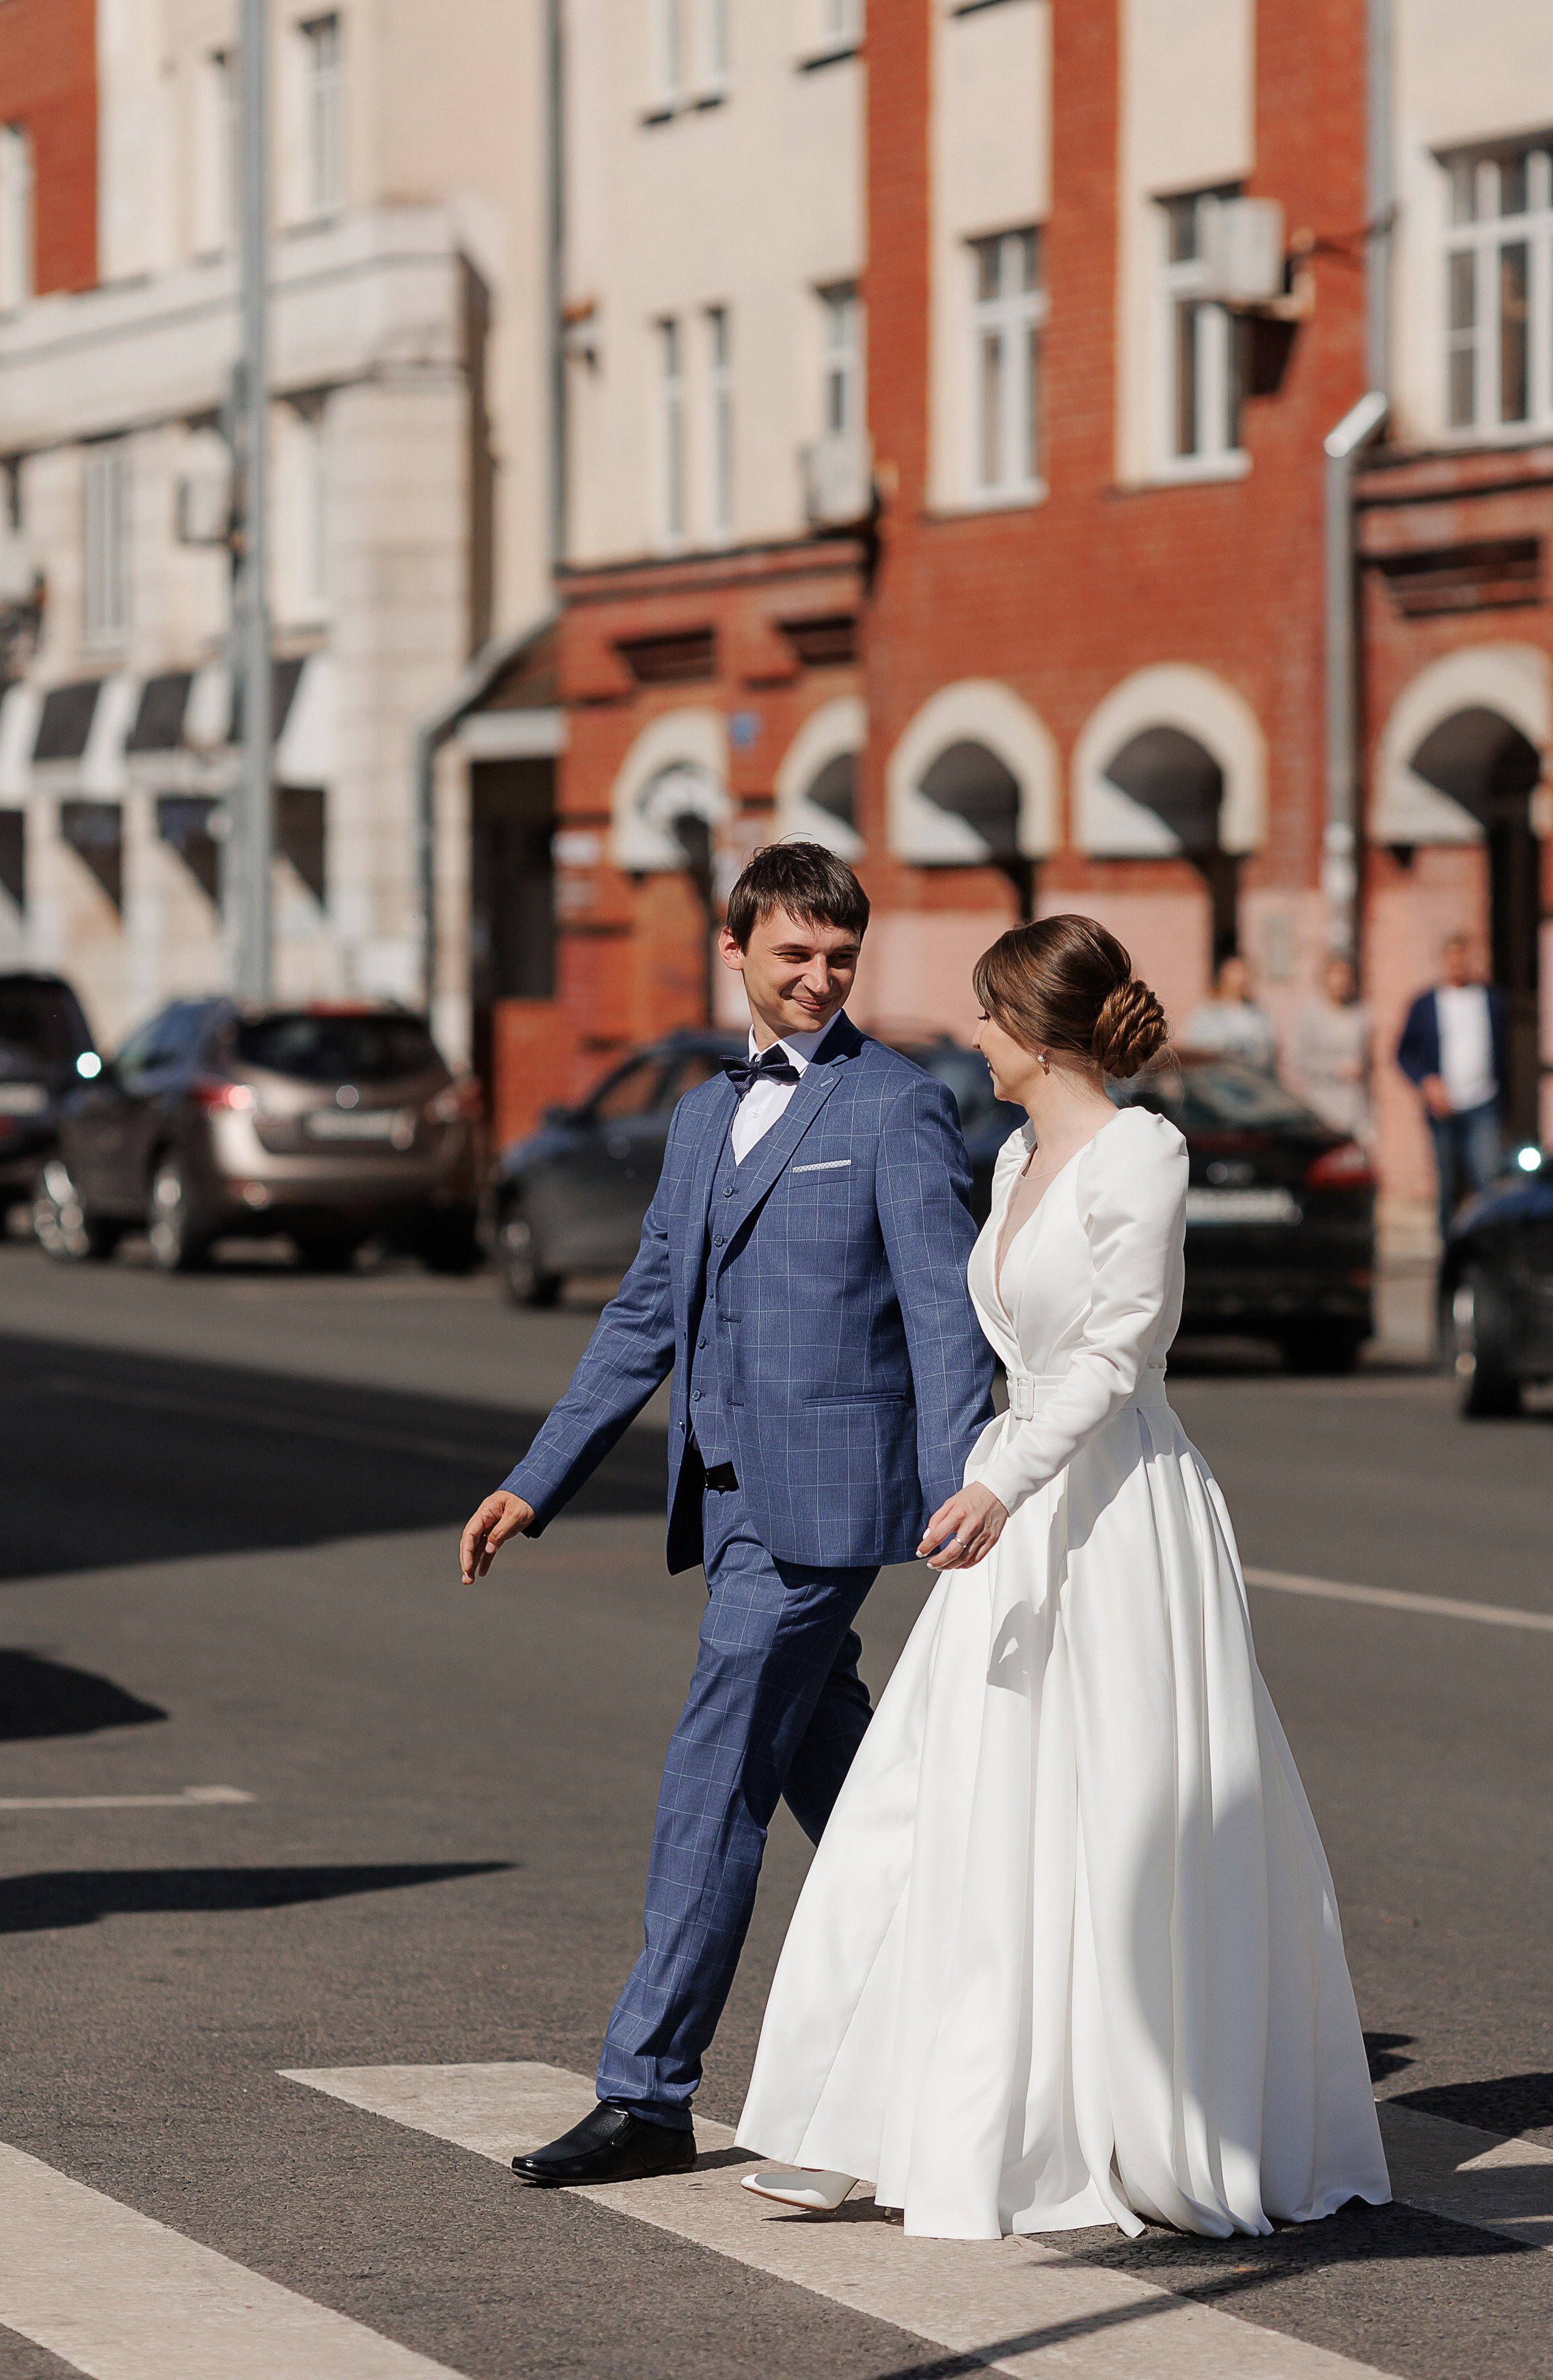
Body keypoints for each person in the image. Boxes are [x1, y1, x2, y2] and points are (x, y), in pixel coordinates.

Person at [737, 915, 1389, 2241]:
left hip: (1111, 1510)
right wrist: (978, 1475)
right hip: (1017, 1501)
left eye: (984, 1014)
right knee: (942, 1801)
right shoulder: (1019, 1150)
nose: (969, 1036)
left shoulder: (1139, 1153)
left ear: (1033, 1031)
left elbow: (1110, 1352)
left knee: (1119, 1811)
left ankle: (1130, 2121)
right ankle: (869, 2115)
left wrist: (995, 1482)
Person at [458, 841, 992, 2191]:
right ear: (735, 949)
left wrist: (968, 1498)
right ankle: (1006, 2005)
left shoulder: (897, 1106)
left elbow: (942, 1319)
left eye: (839, 958)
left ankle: (646, 2094)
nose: (817, 978)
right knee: (876, 1803)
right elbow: (645, 1313)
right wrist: (538, 1478)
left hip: (824, 1515)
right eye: (792, 955)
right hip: (729, 1499)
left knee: (710, 1788)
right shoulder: (701, 1116)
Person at [1395, 932, 1509, 1236]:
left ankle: (1488, 1247)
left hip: (1483, 1103)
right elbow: (1403, 1053)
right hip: (1443, 1108)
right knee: (1447, 1185)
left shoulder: (1491, 999)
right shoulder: (1425, 1003)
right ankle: (1448, 1252)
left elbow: (1504, 1053)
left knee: (1488, 1180)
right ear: (1444, 961)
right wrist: (1427, 1082)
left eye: (1463, 957)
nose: (1458, 964)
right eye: (1452, 957)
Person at [1292, 953, 1374, 1138]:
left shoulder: (1361, 1015)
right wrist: (1335, 1068)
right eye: (1335, 974)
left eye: (1345, 975)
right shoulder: (1311, 1015)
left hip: (1355, 1105)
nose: (1340, 981)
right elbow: (1300, 1061)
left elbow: (1370, 1061)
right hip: (1322, 1106)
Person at [1183, 952, 1278, 1070]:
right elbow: (1195, 1050)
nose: (1241, 979)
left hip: (1252, 1080)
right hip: (1218, 1081)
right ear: (1224, 977)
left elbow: (1269, 1052)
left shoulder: (1259, 1014)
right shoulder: (1207, 1012)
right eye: (1236, 973)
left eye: (1244, 973)